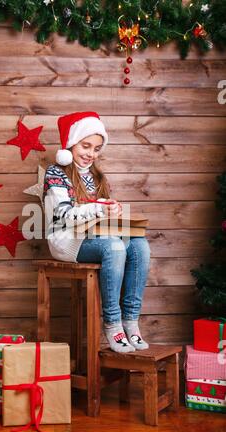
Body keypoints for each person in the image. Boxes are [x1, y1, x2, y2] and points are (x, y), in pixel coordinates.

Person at [43, 111, 150, 353]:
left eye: (97, 148)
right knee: (114, 246)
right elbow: (66, 215)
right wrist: (98, 208)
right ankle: (112, 324)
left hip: (93, 236)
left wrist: (112, 210)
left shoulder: (95, 176)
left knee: (139, 244)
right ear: (71, 143)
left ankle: (130, 321)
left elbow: (98, 216)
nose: (90, 153)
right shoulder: (56, 173)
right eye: (86, 146)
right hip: (67, 240)